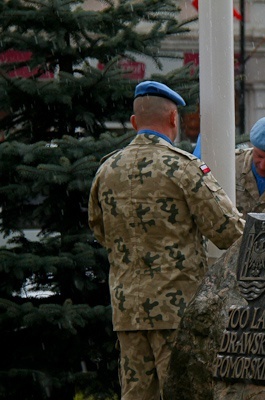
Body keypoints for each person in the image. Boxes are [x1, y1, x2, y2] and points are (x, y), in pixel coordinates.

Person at [88, 81, 245, 400]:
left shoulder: (107, 171)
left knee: (136, 395)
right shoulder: (183, 167)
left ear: (134, 122)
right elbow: (229, 231)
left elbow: (100, 232)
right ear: (174, 119)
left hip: (128, 312)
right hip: (177, 312)